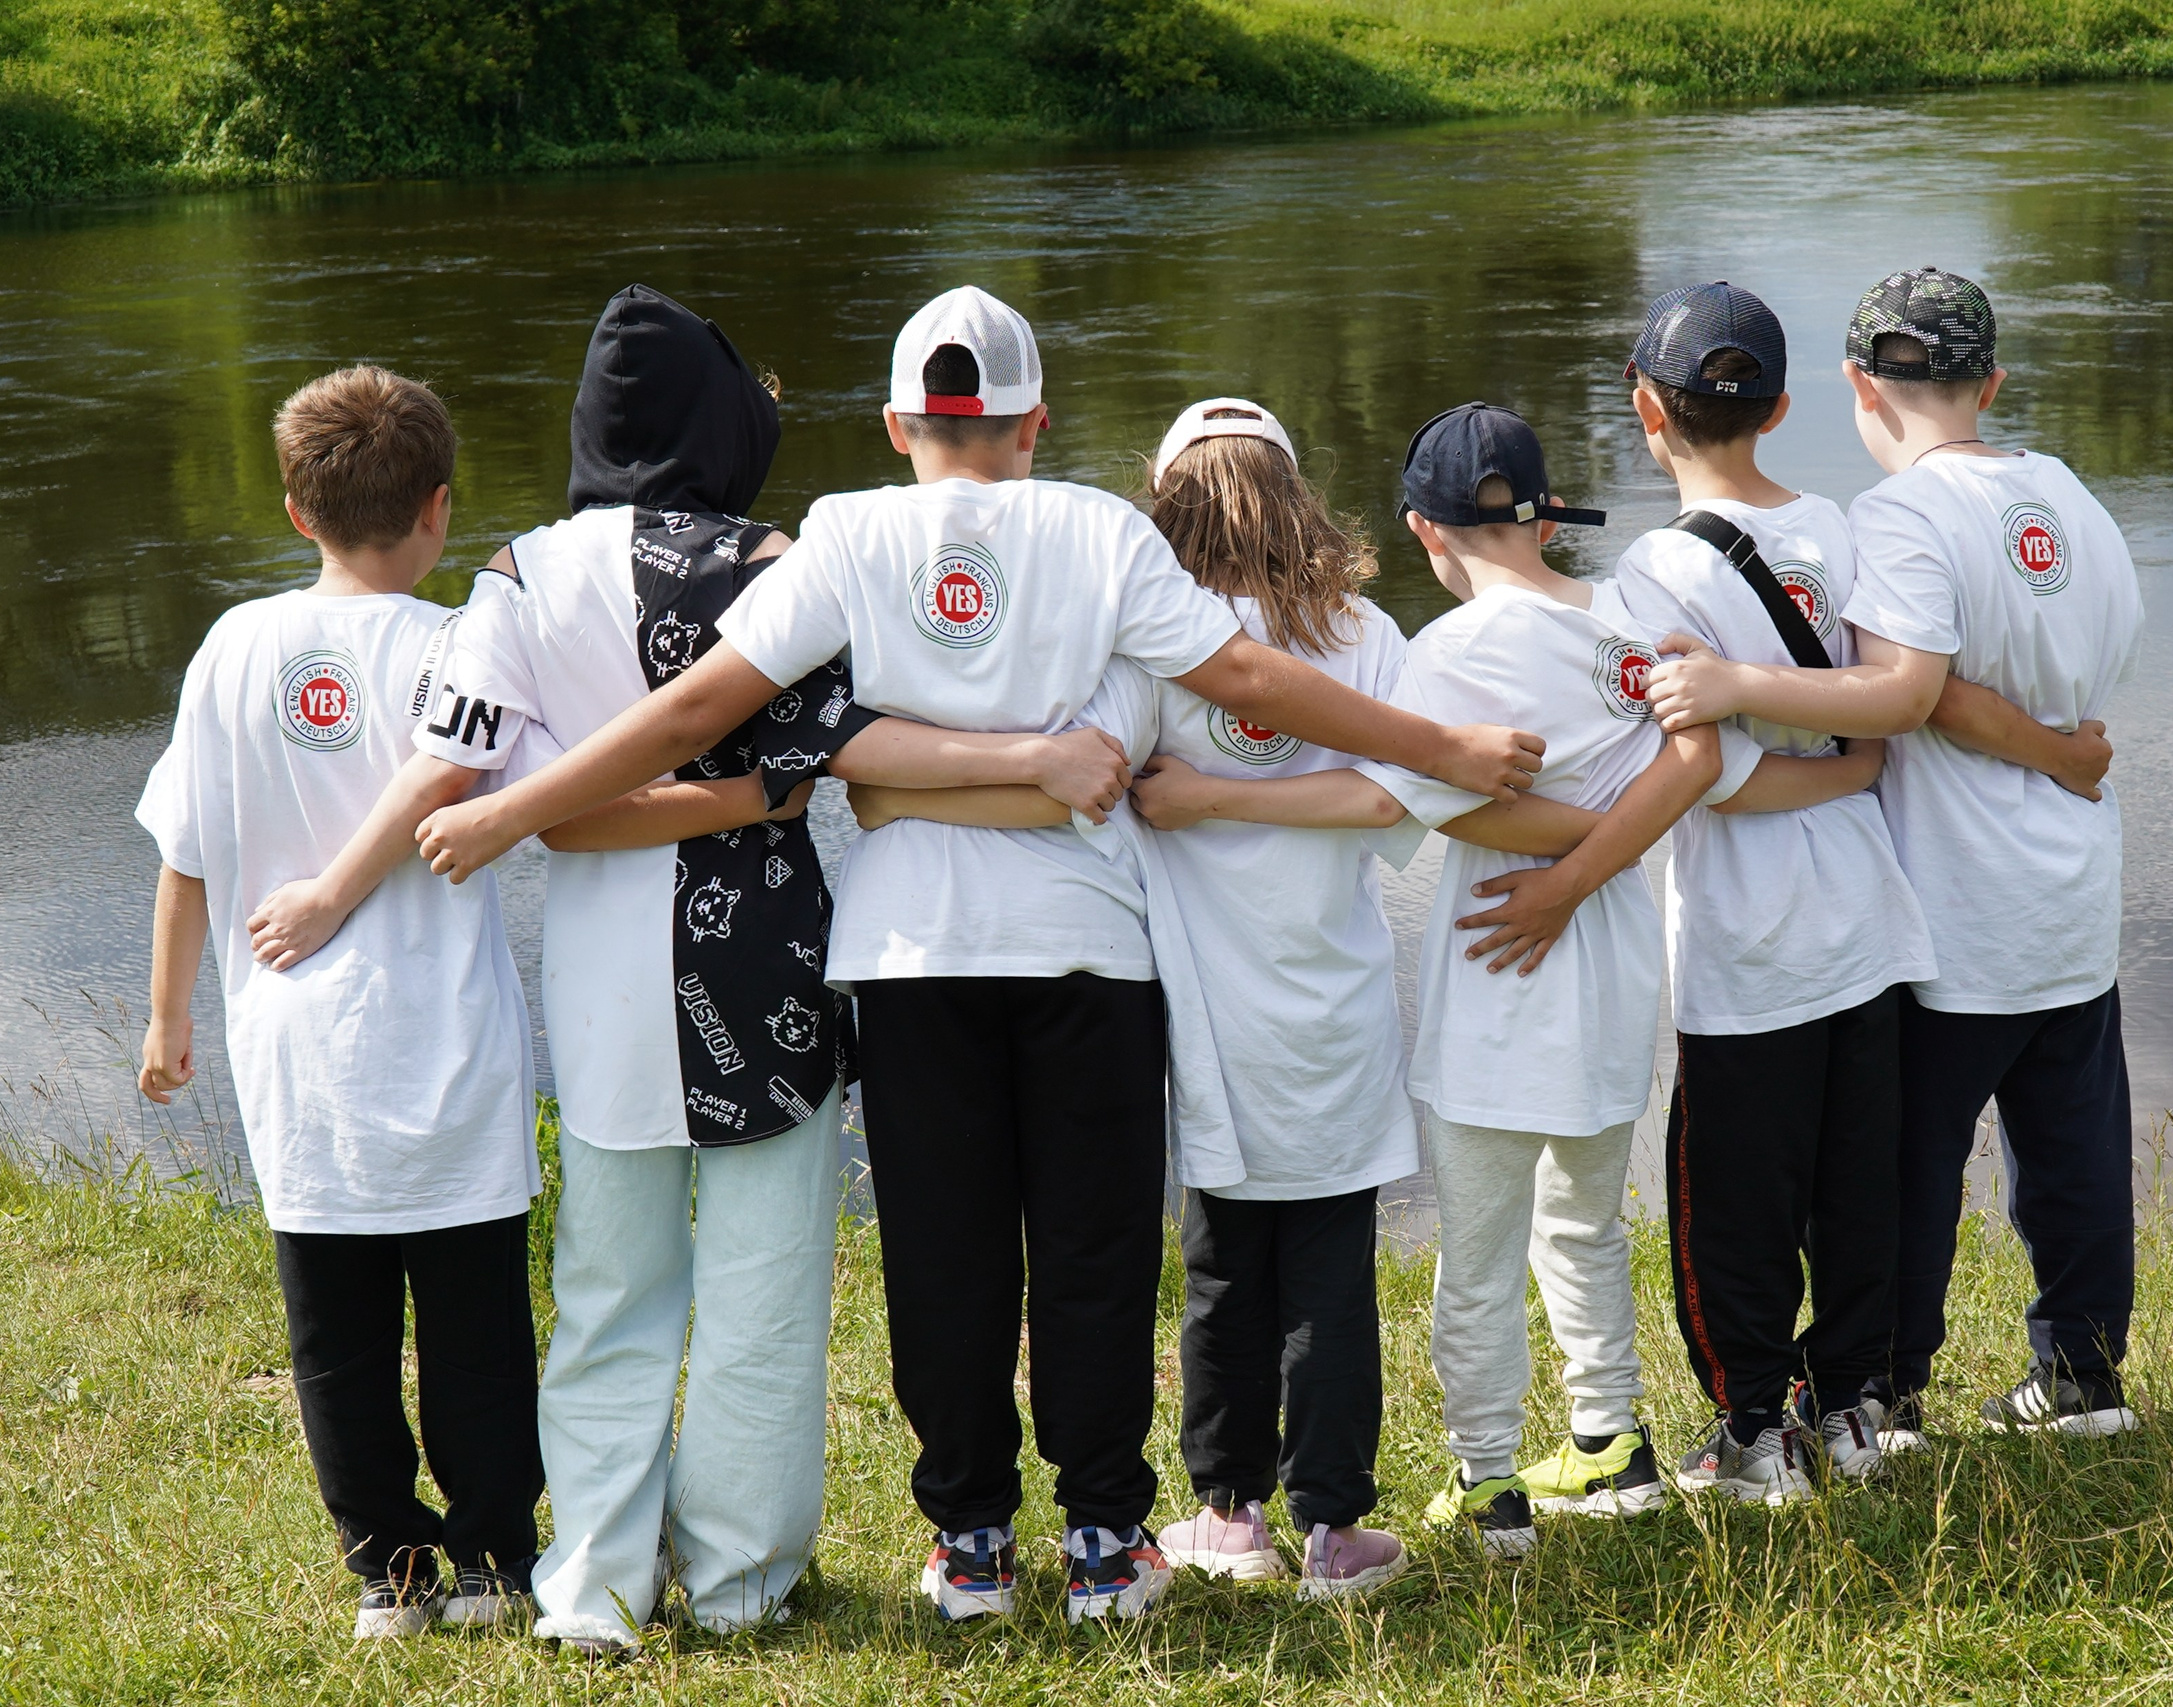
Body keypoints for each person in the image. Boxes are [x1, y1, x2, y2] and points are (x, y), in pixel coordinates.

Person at [401, 288, 1548, 1624]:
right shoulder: (1101, 528)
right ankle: (1109, 1536)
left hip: (906, 954)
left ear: (896, 424)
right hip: (1088, 954)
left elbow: (700, 706)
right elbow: (1249, 680)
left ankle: (972, 1545)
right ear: (1035, 421)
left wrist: (507, 808)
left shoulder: (844, 531)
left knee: (943, 1259)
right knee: (1094, 1255)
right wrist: (1444, 750)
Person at [243, 287, 1126, 1654]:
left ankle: (592, 1579)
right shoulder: (777, 555)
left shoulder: (521, 571)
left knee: (610, 1280)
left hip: (602, 973)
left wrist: (341, 880)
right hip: (761, 961)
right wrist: (995, 762)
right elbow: (850, 744)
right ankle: (741, 1574)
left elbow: (464, 763)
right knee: (764, 1289)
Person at [856, 397, 1425, 1600]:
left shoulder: (1150, 645)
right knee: (1330, 1259)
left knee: (1219, 1262)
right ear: (1299, 493)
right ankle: (1332, 1526)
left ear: (1164, 503)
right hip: (1333, 1007)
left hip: (1199, 1017)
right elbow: (1393, 797)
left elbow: (1092, 780)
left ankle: (1225, 1514)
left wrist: (894, 791)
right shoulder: (1366, 634)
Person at [1641, 267, 2144, 1441]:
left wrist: (1736, 684)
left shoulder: (1902, 514)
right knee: (2073, 1154)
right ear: (1992, 380)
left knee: (1908, 1170)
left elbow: (1915, 695)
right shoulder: (2068, 492)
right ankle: (2081, 1375)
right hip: (2075, 885)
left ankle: (1889, 1391)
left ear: (1859, 386)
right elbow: (2092, 658)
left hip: (1957, 894)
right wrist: (2068, 756)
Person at [136, 366, 543, 1640]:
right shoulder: (456, 647)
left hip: (295, 1055)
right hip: (451, 1045)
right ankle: (487, 1562)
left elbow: (187, 854)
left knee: (336, 1339)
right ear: (438, 509)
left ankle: (390, 1575)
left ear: (297, 513)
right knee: (477, 1329)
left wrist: (166, 1018)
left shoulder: (232, 647)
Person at [1352, 403, 1721, 1556]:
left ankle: (1488, 1478)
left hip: (1496, 982)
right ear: (1544, 514)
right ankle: (1612, 1442)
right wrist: (1594, 850)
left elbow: (1424, 799)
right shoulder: (1623, 631)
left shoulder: (1447, 653)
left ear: (1426, 531)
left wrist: (1551, 856)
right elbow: (1688, 769)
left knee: (1476, 1254)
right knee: (1587, 1226)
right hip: (1613, 986)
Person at [1602, 282, 1934, 1506]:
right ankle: (1850, 1405)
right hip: (1873, 912)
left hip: (1749, 942)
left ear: (1647, 410)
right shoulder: (1848, 530)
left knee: (1734, 1200)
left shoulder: (1645, 572)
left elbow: (1713, 784)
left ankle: (1752, 1430)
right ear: (1781, 409)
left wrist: (1807, 759)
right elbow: (1888, 715)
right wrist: (1852, 765)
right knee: (1860, 1182)